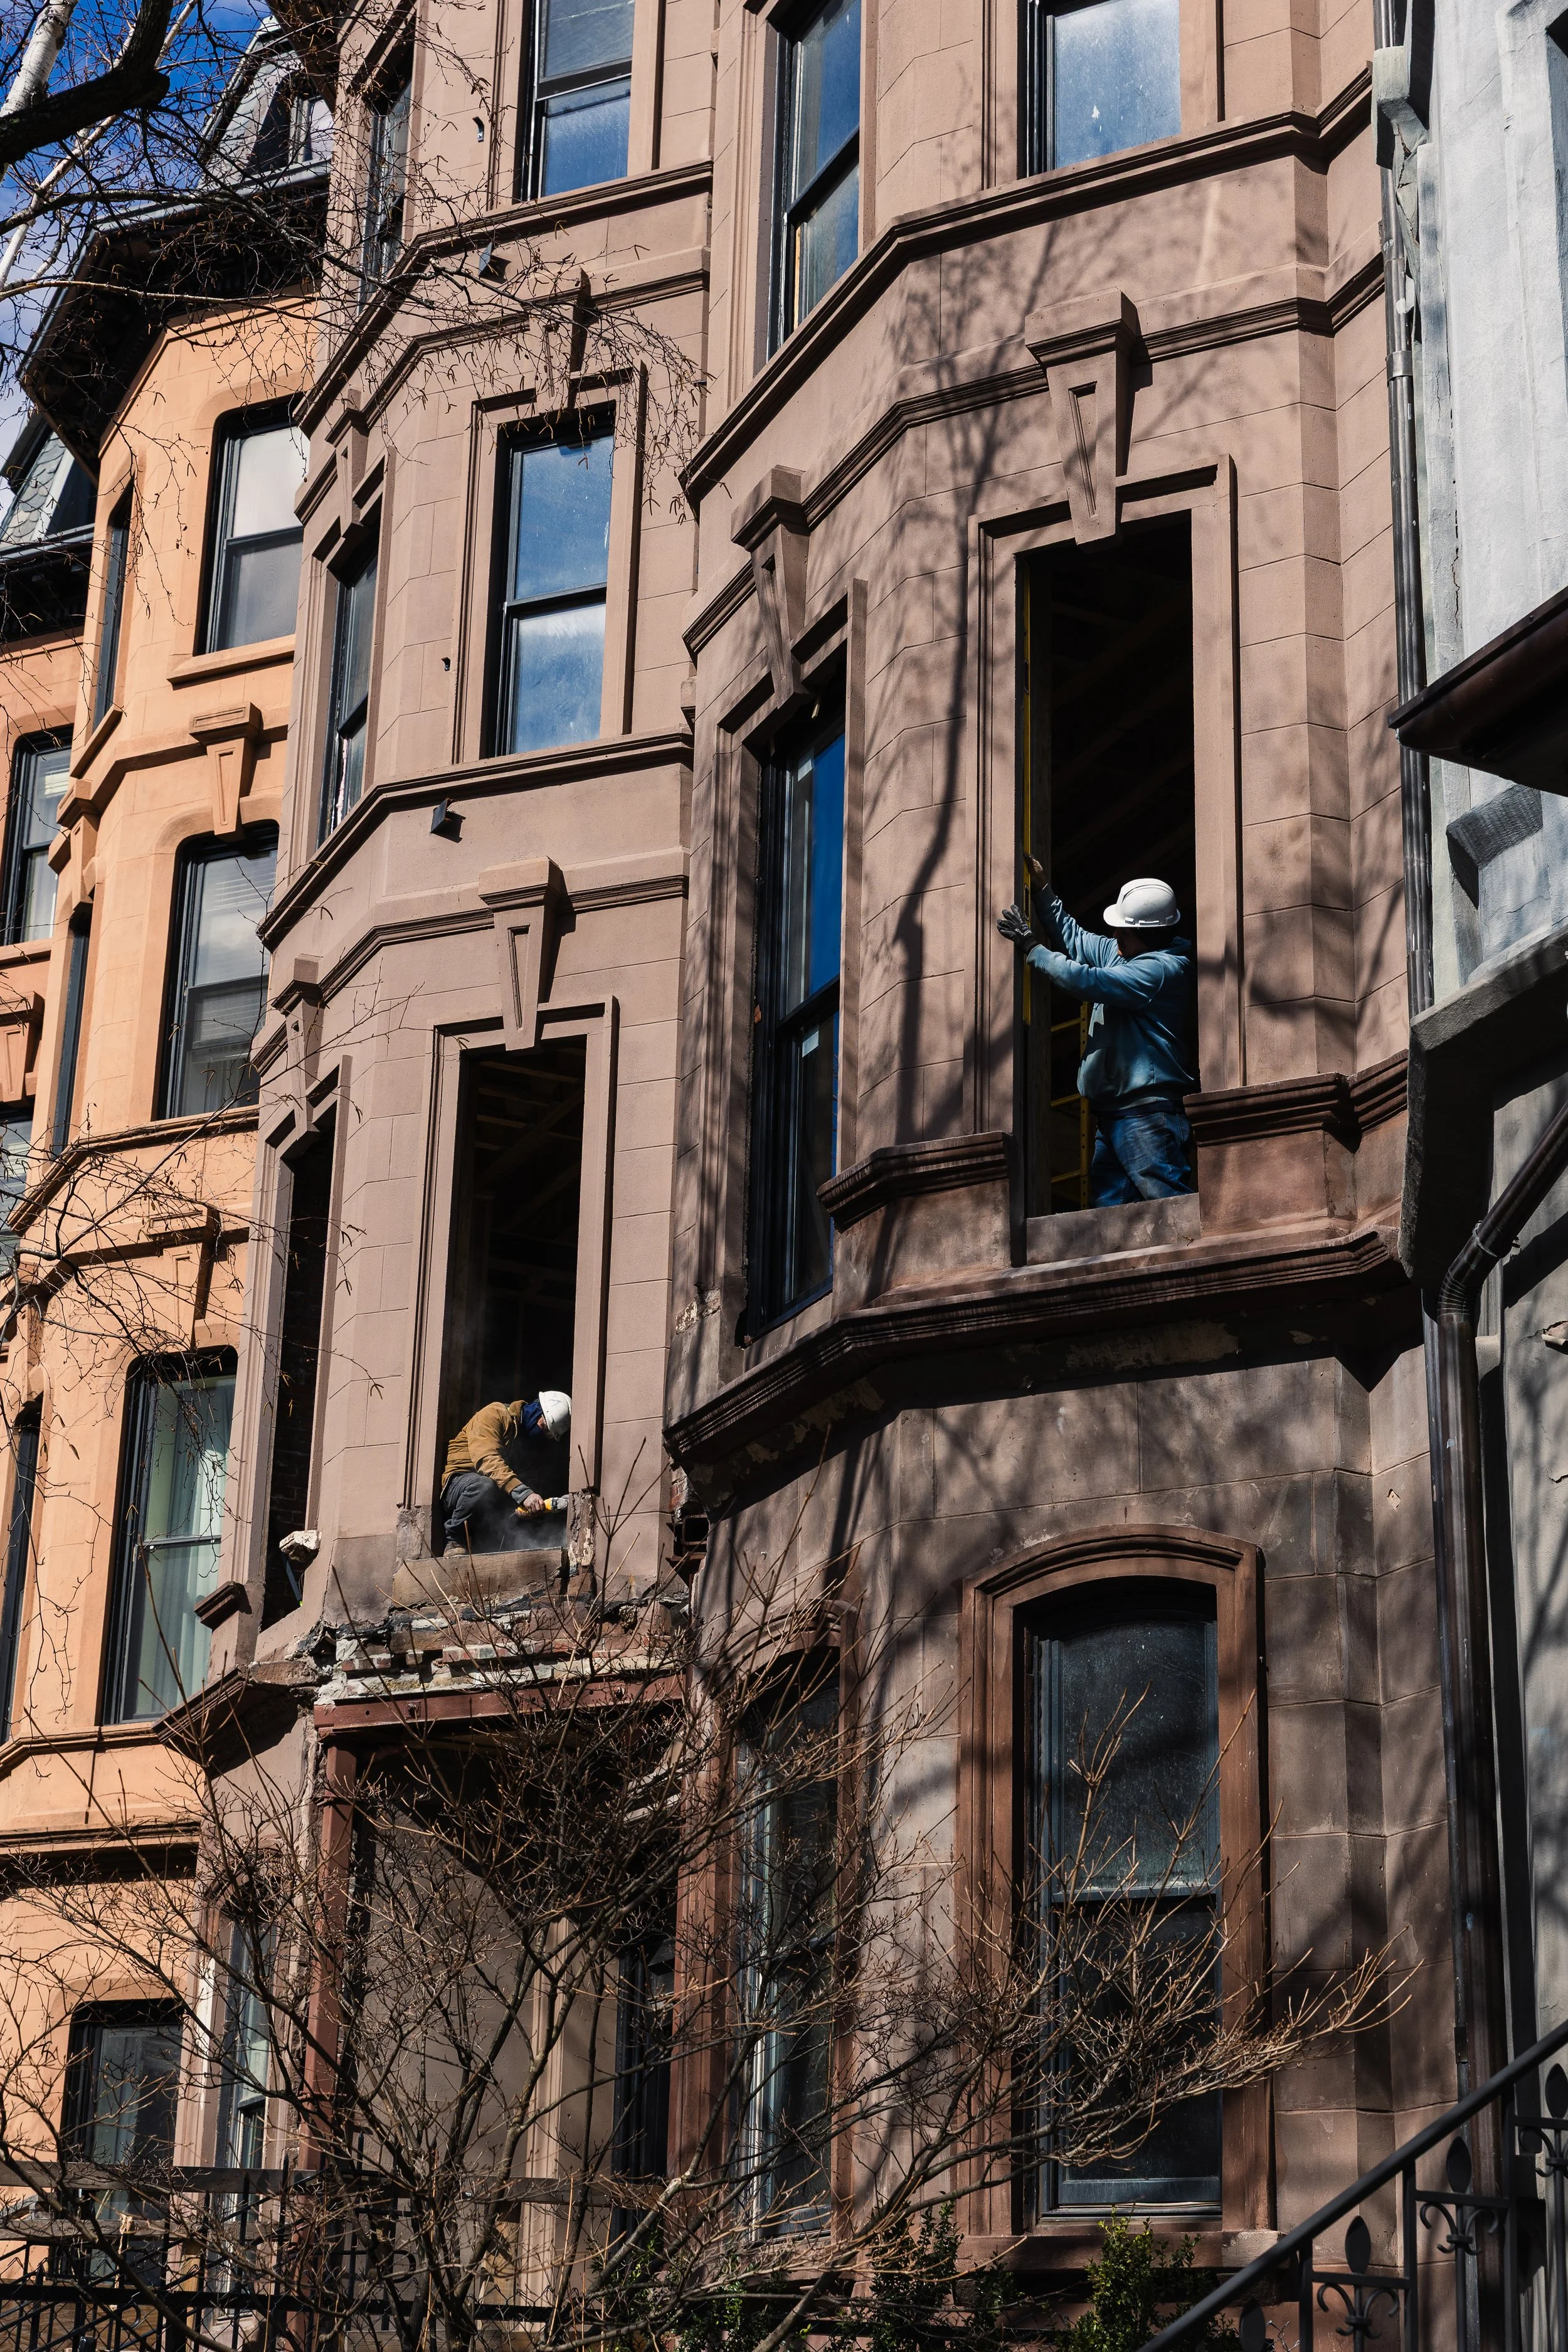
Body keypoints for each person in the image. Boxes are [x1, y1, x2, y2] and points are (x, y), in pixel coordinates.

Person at [998, 865, 1198, 1205]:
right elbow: (1075, 938)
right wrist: (1043, 889)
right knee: (1113, 1219)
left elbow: (1088, 981)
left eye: (1123, 929)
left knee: (1169, 1207)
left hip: (1148, 1116)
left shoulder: (1162, 970)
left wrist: (1032, 947)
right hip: (1116, 1116)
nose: (1115, 934)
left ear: (1148, 936)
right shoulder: (1125, 954)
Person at [440, 1389, 571, 1556]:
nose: (543, 1435)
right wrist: (524, 1495)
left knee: (503, 1500)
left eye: (549, 1435)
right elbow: (487, 1460)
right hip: (460, 1485)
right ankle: (455, 1539)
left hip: (492, 1492)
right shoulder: (494, 1414)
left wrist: (523, 1508)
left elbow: (526, 1483)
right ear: (537, 1411)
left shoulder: (528, 1446)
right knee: (483, 1485)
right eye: (544, 1427)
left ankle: (490, 1548)